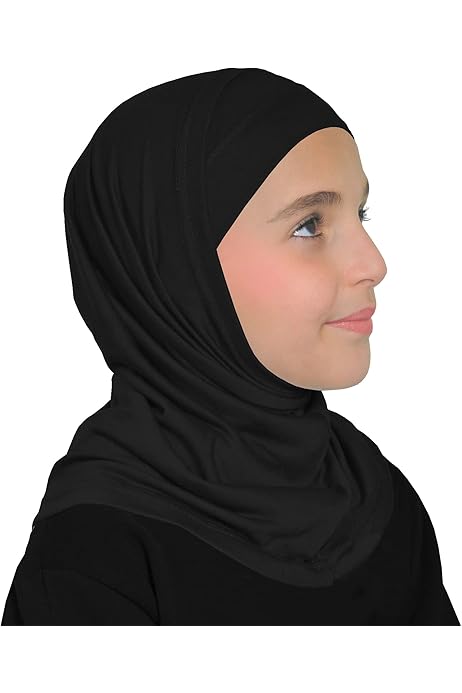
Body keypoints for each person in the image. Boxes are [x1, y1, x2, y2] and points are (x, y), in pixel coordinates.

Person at [2, 67, 459, 625]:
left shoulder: (379, 500)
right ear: (176, 271)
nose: (374, 264)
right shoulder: (93, 560)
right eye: (310, 225)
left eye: (360, 214)